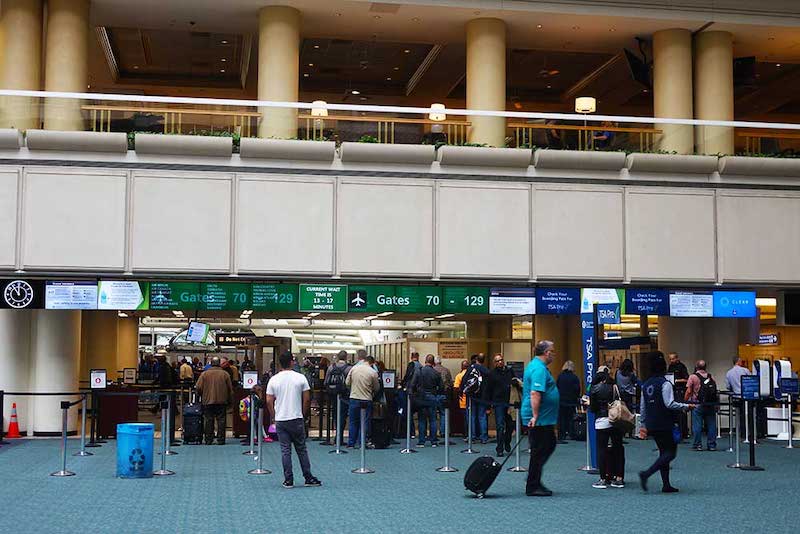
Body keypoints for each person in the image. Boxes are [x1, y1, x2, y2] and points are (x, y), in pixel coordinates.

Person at [265, 351, 322, 489]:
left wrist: (274, 415)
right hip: (296, 418)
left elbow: (268, 400)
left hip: (281, 419)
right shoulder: (300, 378)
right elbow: (307, 399)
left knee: (285, 450)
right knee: (301, 449)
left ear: (279, 363)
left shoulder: (274, 379)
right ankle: (308, 477)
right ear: (292, 362)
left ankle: (288, 480)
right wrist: (303, 413)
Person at [638, 351, 693, 493]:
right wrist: (686, 406)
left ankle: (666, 484)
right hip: (664, 422)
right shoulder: (665, 383)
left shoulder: (646, 384)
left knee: (663, 452)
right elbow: (669, 403)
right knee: (670, 453)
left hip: (652, 423)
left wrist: (643, 424)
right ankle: (647, 474)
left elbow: (643, 407)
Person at [521, 340, 560, 497]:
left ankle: (534, 478)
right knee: (540, 449)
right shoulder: (538, 369)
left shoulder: (538, 367)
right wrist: (535, 415)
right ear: (547, 353)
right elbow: (535, 393)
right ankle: (533, 484)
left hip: (544, 417)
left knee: (547, 445)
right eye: (553, 351)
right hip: (539, 418)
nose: (554, 354)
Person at [589, 366, 625, 488]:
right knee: (618, 448)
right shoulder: (614, 386)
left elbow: (593, 408)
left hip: (601, 421)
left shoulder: (594, 389)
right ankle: (619, 477)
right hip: (615, 420)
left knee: (602, 449)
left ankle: (603, 478)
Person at [482, 354, 516, 456]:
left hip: (510, 402)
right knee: (500, 426)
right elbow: (487, 391)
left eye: (501, 360)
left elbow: (515, 384)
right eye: (497, 361)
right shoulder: (491, 374)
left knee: (510, 425)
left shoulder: (510, 371)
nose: (500, 362)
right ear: (494, 363)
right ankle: (499, 448)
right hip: (498, 403)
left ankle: (507, 441)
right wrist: (487, 406)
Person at [195, 356, 234, 445]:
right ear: (219, 363)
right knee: (221, 420)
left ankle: (209, 439)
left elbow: (198, 387)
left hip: (207, 401)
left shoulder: (204, 374)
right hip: (222, 401)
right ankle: (221, 439)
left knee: (208, 420)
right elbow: (230, 389)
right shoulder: (225, 374)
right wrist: (230, 401)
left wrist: (202, 395)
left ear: (211, 363)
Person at [345, 352, 380, 448]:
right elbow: (376, 387)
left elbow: (347, 383)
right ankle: (362, 443)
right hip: (366, 399)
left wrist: (353, 389)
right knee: (364, 422)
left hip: (354, 398)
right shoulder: (372, 372)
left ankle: (351, 443)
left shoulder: (354, 368)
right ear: (372, 363)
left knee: (353, 422)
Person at [410, 354, 444, 447]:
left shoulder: (419, 371)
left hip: (421, 397)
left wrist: (413, 395)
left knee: (422, 419)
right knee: (433, 420)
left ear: (425, 361)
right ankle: (433, 441)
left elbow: (412, 384)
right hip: (432, 397)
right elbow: (441, 387)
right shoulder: (436, 373)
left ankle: (421, 441)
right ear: (433, 363)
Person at [684, 360, 718, 451]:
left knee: (697, 426)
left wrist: (685, 402)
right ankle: (712, 445)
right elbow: (715, 391)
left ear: (696, 367)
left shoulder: (693, 377)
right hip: (710, 404)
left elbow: (689, 391)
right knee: (711, 425)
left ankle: (697, 445)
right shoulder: (710, 377)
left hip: (697, 405)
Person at [324, 351, 352, 445]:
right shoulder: (349, 368)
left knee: (335, 415)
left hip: (333, 395)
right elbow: (349, 383)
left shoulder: (331, 367)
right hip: (344, 395)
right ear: (346, 357)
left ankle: (336, 436)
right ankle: (339, 437)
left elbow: (326, 381)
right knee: (343, 416)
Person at [463, 354, 490, 444]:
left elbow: (464, 380)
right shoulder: (486, 370)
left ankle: (472, 437)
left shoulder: (471, 369)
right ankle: (483, 437)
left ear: (476, 359)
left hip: (471, 397)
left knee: (471, 416)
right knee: (482, 417)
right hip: (483, 397)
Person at [556, 361, 581, 442]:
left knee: (561, 419)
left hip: (561, 400)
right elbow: (577, 389)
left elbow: (557, 387)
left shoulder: (560, 376)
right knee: (571, 418)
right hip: (571, 401)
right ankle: (572, 434)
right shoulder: (574, 377)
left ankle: (561, 435)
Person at [667, 352, 690, 438]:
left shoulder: (682, 367)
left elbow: (686, 379)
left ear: (677, 358)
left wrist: (677, 381)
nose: (671, 360)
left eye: (673, 359)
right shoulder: (670, 367)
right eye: (670, 359)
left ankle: (684, 432)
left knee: (681, 411)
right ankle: (675, 432)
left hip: (680, 391)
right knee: (674, 412)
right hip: (673, 391)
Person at [726, 356, 751, 434]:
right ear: (739, 361)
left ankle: (740, 432)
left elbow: (728, 386)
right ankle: (747, 433)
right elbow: (751, 382)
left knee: (739, 415)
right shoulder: (745, 370)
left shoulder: (729, 373)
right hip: (746, 396)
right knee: (748, 415)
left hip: (735, 397)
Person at [432, 355, 453, 439]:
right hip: (444, 394)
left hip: (434, 394)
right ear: (441, 362)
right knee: (443, 414)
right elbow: (450, 383)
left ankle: (433, 433)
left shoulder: (432, 370)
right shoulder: (446, 370)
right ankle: (443, 432)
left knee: (433, 414)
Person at [452, 359, 469, 436]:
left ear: (462, 367)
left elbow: (456, 388)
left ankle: (466, 434)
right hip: (472, 400)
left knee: (465, 418)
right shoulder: (472, 374)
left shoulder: (459, 376)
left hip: (463, 400)